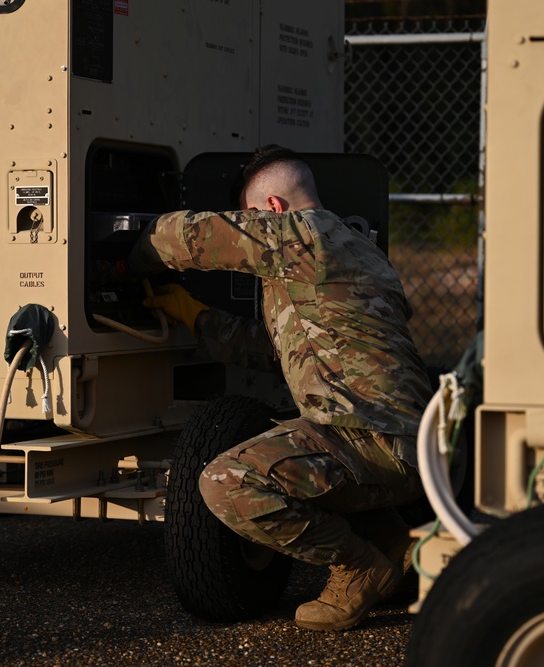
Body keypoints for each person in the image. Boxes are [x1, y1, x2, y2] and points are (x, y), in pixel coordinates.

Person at [128, 145, 433, 631]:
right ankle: (397, 548)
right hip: (414, 448)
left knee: (228, 483)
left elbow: (181, 236)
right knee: (296, 440)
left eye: (250, 218)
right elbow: (280, 349)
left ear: (271, 211)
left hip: (370, 442)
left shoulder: (302, 235)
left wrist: (128, 256)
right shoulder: (356, 251)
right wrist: (195, 317)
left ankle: (358, 568)